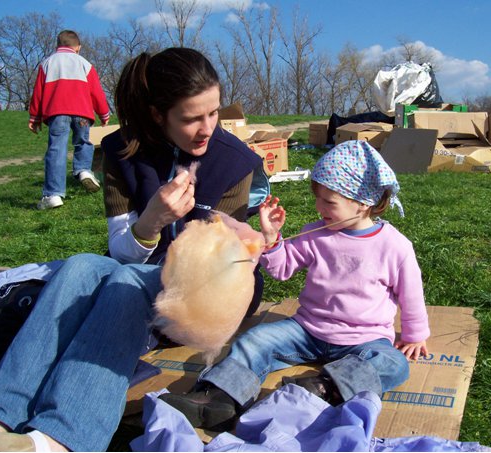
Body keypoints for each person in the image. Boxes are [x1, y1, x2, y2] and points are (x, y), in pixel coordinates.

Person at [0, 47, 266, 452]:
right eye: (191, 118)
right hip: (135, 273)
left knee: (126, 281)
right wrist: (151, 220)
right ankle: (3, 415)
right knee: (80, 266)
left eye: (213, 113)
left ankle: (62, 437)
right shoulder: (123, 153)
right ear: (158, 115)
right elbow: (121, 251)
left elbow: (218, 278)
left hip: (205, 293)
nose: (207, 128)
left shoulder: (234, 163)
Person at [160, 140, 431, 431]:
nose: (319, 207)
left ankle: (322, 388)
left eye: (329, 202)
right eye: (318, 198)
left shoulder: (394, 246)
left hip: (364, 338)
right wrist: (271, 238)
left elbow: (411, 294)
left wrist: (415, 335)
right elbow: (282, 269)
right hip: (308, 330)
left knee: (393, 364)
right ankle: (219, 398)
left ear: (363, 202)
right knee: (255, 340)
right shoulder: (315, 234)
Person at [28, 30, 111, 210]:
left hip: (57, 112)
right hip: (83, 113)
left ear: (57, 45)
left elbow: (38, 93)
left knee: (57, 149)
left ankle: (53, 194)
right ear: (78, 47)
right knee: (83, 141)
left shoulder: (47, 63)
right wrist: (104, 114)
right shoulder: (85, 64)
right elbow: (96, 92)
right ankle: (83, 170)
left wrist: (34, 117)